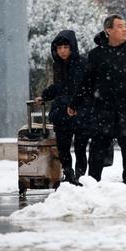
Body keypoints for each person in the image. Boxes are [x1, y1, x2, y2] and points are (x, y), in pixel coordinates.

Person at [69, 14, 126, 185]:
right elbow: (87, 82)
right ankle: (92, 184)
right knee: (97, 149)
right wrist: (76, 102)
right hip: (103, 108)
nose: (125, 29)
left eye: (125, 25)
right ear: (109, 30)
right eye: (120, 26)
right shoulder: (96, 54)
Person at [36, 30, 91, 185]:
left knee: (80, 148)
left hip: (80, 111)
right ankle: (68, 174)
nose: (62, 51)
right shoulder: (58, 66)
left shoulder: (82, 63)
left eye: (65, 47)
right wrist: (45, 96)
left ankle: (80, 177)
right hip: (61, 111)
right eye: (59, 48)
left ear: (72, 47)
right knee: (63, 148)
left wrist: (75, 104)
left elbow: (84, 87)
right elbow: (59, 86)